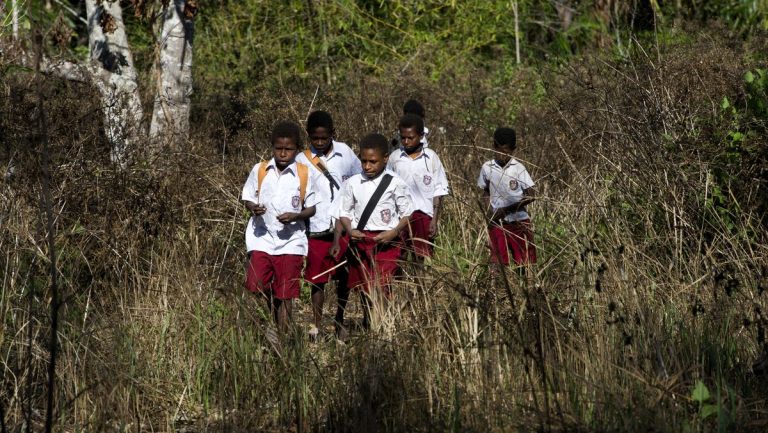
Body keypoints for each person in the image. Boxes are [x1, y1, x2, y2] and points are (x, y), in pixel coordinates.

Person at [242, 121, 319, 333]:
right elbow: (248, 197)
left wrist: (296, 216)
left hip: (291, 241)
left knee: (285, 293)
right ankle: (268, 322)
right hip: (262, 238)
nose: (283, 153)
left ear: (296, 149)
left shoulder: (305, 173)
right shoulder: (260, 170)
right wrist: (253, 207)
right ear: (272, 147)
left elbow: (311, 208)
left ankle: (282, 338)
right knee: (255, 284)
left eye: (288, 149)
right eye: (279, 148)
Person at [335, 133, 413, 330]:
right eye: (364, 161)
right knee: (364, 285)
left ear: (385, 158)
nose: (367, 166)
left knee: (382, 285)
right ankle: (369, 321)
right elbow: (344, 212)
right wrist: (350, 230)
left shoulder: (395, 182)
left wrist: (394, 232)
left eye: (373, 162)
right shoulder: (352, 182)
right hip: (361, 240)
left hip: (386, 241)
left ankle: (383, 323)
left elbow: (407, 214)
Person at [296, 110, 361, 339]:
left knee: (344, 276)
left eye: (325, 137)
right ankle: (315, 324)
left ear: (333, 133)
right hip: (315, 229)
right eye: (315, 138)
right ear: (308, 136)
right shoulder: (301, 160)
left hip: (343, 227)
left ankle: (340, 319)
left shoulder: (346, 153)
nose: (320, 142)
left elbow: (359, 181)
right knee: (317, 280)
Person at [387, 113, 449, 261]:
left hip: (423, 215)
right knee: (397, 257)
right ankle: (400, 284)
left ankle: (420, 284)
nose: (406, 141)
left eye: (411, 137)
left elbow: (439, 189)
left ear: (421, 136)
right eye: (403, 137)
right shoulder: (395, 158)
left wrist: (434, 219)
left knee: (420, 257)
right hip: (400, 217)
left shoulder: (431, 157)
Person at [477, 127, 537, 267]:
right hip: (497, 222)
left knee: (525, 262)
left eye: (506, 152)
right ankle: (496, 288)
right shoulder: (487, 167)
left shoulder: (518, 168)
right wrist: (489, 212)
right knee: (497, 261)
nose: (502, 156)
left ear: (513, 149)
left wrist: (506, 210)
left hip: (519, 222)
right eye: (499, 151)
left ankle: (525, 287)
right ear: (494, 147)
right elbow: (485, 192)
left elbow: (532, 195)